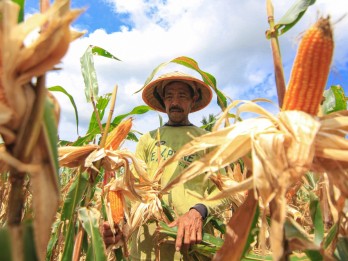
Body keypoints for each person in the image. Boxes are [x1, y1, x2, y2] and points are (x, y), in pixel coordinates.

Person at [103, 71, 228, 260]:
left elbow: (225, 191)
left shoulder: (208, 140)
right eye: (169, 96)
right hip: (147, 247)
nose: (175, 102)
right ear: (163, 101)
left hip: (193, 247)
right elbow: (134, 188)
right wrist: (117, 223)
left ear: (193, 100)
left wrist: (198, 211)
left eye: (182, 96)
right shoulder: (148, 140)